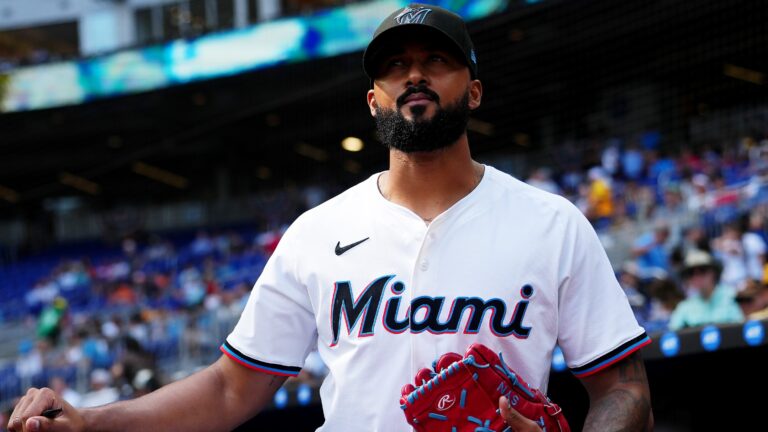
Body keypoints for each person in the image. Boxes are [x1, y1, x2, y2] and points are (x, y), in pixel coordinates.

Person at [7, 4, 653, 432]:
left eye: (436, 61)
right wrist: (93, 421)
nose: (415, 76)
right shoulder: (316, 233)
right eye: (395, 67)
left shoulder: (551, 223)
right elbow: (231, 389)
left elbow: (624, 388)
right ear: (374, 101)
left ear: (474, 90)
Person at [669, 250, 744, 330]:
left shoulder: (733, 296)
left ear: (714, 272)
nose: (696, 276)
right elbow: (673, 334)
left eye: (702, 270)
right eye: (691, 273)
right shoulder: (684, 307)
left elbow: (743, 324)